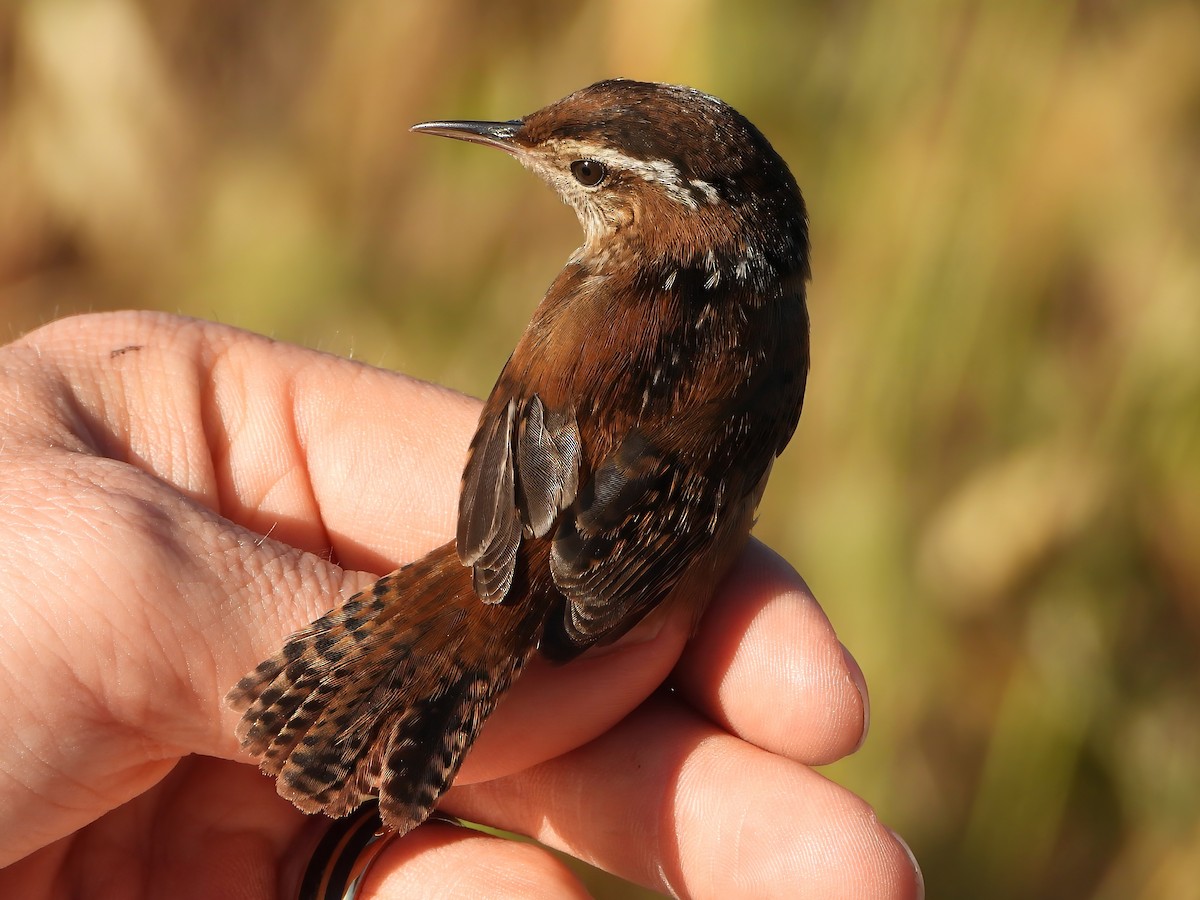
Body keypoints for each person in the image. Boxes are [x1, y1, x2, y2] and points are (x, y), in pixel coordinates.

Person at [0, 311, 923, 899]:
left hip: (524, 537)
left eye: (591, 172)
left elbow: (542, 465)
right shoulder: (713, 333)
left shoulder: (605, 316)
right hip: (568, 567)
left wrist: (531, 575)